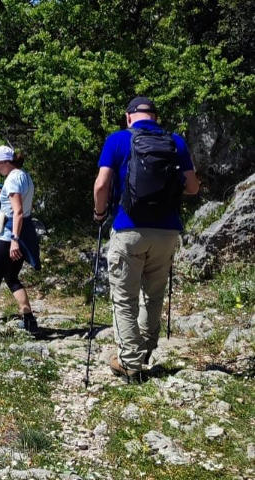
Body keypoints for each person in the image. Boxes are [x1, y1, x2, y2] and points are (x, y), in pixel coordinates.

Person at [94, 97, 200, 380]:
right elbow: (192, 187)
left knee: (125, 299)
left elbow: (102, 184)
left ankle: (129, 362)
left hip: (129, 229)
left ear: (129, 117)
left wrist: (99, 213)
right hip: (166, 232)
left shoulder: (117, 140)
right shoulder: (175, 142)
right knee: (153, 296)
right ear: (154, 117)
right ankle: (143, 352)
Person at [0, 146, 41, 333]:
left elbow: (17, 212)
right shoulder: (23, 176)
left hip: (9, 236)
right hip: (24, 234)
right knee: (12, 277)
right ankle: (30, 321)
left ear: (5, 162)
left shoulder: (12, 179)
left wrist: (14, 240)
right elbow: (20, 204)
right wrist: (2, 194)